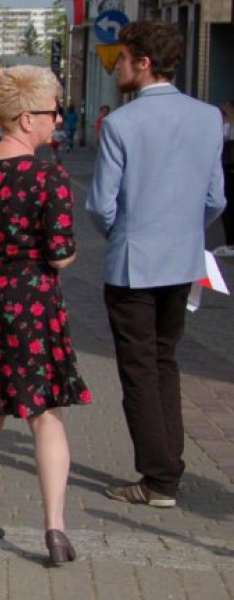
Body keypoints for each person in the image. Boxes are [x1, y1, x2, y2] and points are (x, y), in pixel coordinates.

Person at [0, 65, 90, 566]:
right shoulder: (48, 174)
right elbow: (60, 252)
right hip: (32, 301)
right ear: (27, 118)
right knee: (44, 413)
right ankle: (54, 528)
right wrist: (58, 254)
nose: (58, 122)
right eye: (52, 113)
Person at [87, 21, 227, 508]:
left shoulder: (122, 124)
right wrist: (185, 232)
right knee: (165, 363)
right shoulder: (209, 118)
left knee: (140, 370)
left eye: (123, 59)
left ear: (143, 63)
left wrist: (123, 233)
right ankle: (171, 466)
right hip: (184, 261)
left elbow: (101, 205)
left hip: (133, 263)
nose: (118, 67)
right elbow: (215, 199)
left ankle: (158, 477)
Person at [215, 99, 234, 257]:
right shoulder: (226, 127)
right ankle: (230, 241)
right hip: (227, 169)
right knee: (228, 207)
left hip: (230, 168)